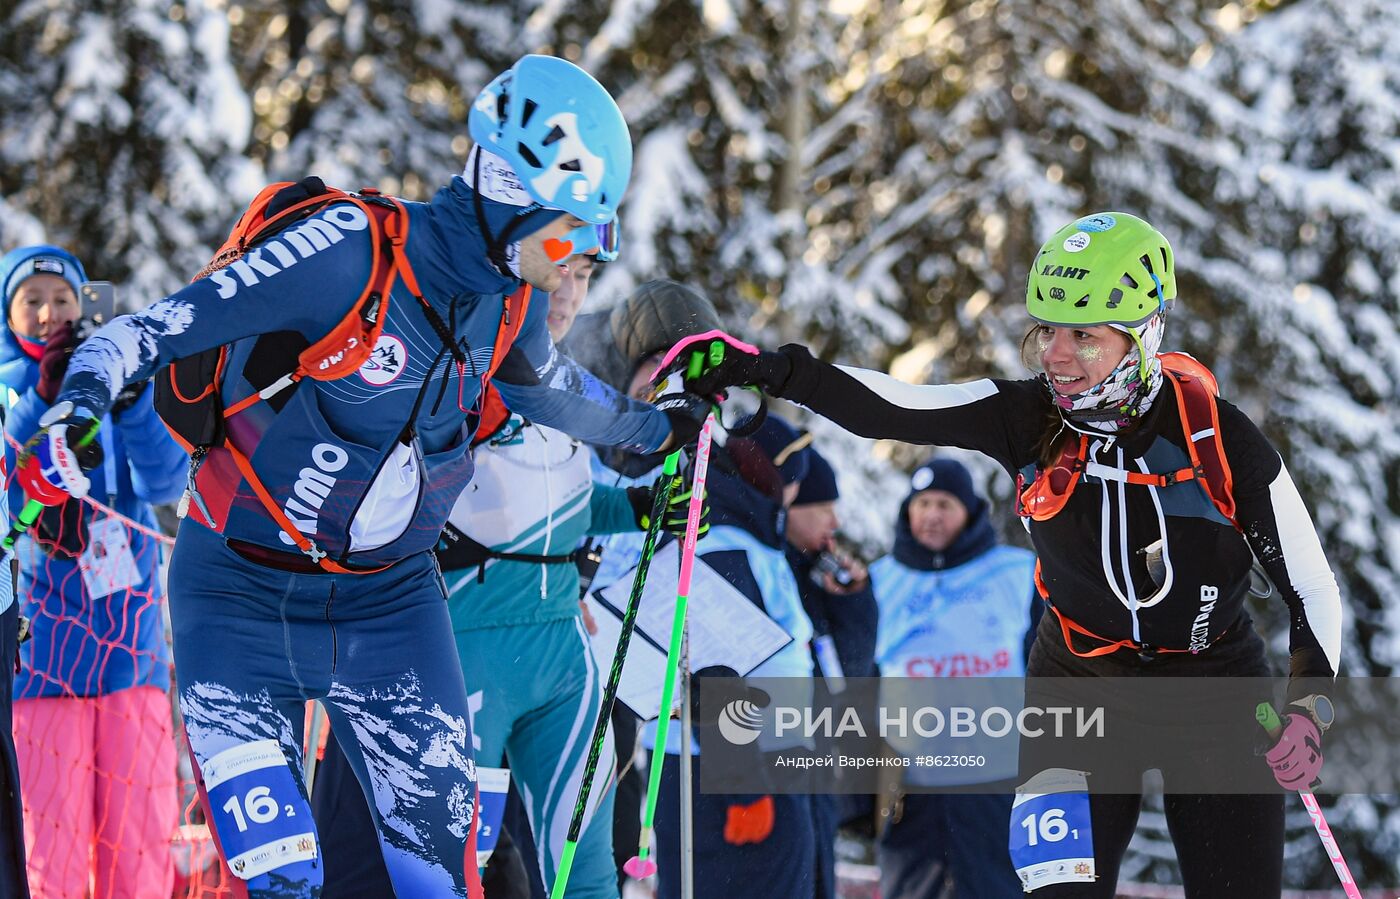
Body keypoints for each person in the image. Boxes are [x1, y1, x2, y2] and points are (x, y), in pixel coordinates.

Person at [15, 56, 703, 899]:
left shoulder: (509, 304)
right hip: (238, 595)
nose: (573, 262)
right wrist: (72, 408)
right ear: (501, 188)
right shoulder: (347, 251)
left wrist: (672, 428)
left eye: (593, 241)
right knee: (284, 878)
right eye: (565, 234)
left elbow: (566, 397)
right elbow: (148, 331)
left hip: (387, 609)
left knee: (440, 885)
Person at [662, 211, 1342, 896]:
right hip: (1076, 690)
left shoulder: (1219, 438)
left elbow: (1312, 589)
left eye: (1084, 336)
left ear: (1143, 335)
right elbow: (895, 406)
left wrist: (1308, 708)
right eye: (1047, 330)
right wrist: (769, 369)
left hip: (1214, 690)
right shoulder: (1029, 416)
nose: (1055, 354)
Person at [313, 249, 705, 899]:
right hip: (455, 649)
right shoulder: (458, 368)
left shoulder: (570, 384)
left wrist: (643, 510)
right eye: (557, 272)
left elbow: (563, 508)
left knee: (585, 873)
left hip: (557, 654)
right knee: (433, 870)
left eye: (582, 276)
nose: (569, 293)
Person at [0, 245, 185, 899]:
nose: (50, 312)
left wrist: (130, 398)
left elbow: (165, 480)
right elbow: (6, 485)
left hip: (130, 654)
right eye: (33, 299)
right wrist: (43, 396)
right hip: (41, 664)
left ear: (84, 306)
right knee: (51, 859)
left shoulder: (113, 381)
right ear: (9, 312)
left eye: (63, 298)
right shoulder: (7, 391)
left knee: (138, 856)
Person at [650, 414, 819, 899]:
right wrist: (744, 786)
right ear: (768, 475)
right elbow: (712, 668)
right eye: (794, 481)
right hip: (736, 772)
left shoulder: (740, 535)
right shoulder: (723, 541)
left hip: (748, 763)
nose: (794, 495)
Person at [868, 456, 1038, 898]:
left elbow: (1051, 670)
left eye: (945, 503)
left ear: (969, 511)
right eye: (922, 503)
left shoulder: (1017, 574)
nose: (932, 514)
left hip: (997, 778)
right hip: (910, 782)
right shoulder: (880, 580)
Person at [782, 445, 878, 899]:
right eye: (821, 508)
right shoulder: (773, 568)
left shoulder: (811, 573)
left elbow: (849, 674)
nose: (833, 522)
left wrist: (853, 599)